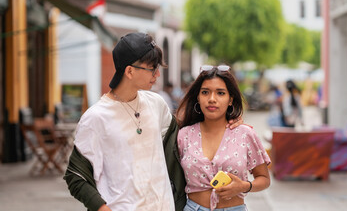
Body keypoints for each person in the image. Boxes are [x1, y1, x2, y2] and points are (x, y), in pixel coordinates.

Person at [63, 33, 243, 211]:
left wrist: (228, 123)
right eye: (151, 68)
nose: (157, 74)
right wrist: (102, 208)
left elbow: (187, 134)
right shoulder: (96, 117)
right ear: (130, 71)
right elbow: (75, 176)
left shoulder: (156, 104)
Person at [176, 65, 271, 211]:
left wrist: (244, 186)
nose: (212, 99)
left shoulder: (245, 134)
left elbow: (264, 179)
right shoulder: (184, 135)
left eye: (220, 93)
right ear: (198, 97)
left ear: (230, 99)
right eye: (205, 92)